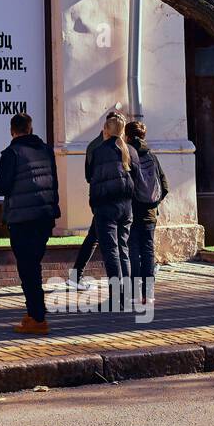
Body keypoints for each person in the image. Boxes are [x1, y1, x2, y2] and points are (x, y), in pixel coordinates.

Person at [0, 112, 60, 335]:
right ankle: (34, 313)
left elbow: (1, 187)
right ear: (30, 129)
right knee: (34, 265)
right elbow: (54, 182)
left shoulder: (11, 153)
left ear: (12, 131)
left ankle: (38, 318)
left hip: (22, 219)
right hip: (44, 216)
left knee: (28, 269)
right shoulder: (46, 150)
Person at [66, 111, 122, 289]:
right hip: (112, 200)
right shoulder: (115, 147)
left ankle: (76, 275)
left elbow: (88, 175)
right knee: (111, 241)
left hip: (99, 198)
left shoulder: (93, 146)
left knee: (94, 237)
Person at [88, 114, 139, 282]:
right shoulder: (130, 150)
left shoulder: (99, 151)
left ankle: (117, 297)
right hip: (126, 207)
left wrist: (94, 204)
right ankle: (126, 294)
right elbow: (137, 178)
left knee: (111, 251)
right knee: (123, 249)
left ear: (106, 131)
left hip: (105, 206)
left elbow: (91, 177)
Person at [126, 120, 169, 302]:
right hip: (150, 214)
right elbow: (164, 186)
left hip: (132, 211)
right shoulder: (152, 156)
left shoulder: (127, 155)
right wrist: (153, 202)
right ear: (144, 135)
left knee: (133, 252)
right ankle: (148, 294)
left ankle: (136, 293)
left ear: (126, 136)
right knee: (148, 251)